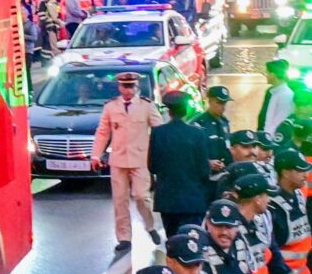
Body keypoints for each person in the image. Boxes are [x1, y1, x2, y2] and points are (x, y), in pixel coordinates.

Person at [95, 71, 165, 254]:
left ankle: (149, 226)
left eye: (131, 86)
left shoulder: (146, 106)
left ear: (137, 87)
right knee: (120, 201)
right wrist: (96, 154)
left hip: (140, 159)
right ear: (119, 87)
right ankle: (124, 238)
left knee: (142, 196)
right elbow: (103, 132)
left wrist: (161, 154)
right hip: (118, 159)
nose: (127, 90)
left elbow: (159, 132)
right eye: (124, 86)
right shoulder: (111, 107)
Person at [151, 95, 224, 238]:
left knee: (173, 240)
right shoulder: (197, 133)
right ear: (186, 111)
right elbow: (204, 169)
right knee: (192, 241)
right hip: (192, 199)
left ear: (169, 112)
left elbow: (152, 166)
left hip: (167, 200)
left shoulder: (158, 133)